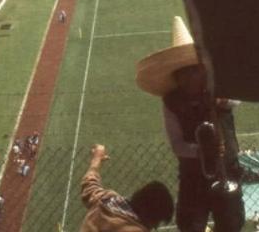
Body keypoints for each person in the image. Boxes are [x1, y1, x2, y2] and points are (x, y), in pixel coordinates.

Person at [136, 16, 246, 232]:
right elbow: (178, 145)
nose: (188, 78)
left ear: (202, 70)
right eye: (182, 74)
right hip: (193, 177)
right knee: (190, 225)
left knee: (231, 224)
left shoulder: (217, 91)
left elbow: (236, 100)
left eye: (193, 71)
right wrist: (204, 151)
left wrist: (222, 100)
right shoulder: (172, 103)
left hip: (227, 170)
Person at [80, 143, 174, 231]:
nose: (155, 227)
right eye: (156, 222)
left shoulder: (105, 199)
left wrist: (96, 159)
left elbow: (89, 183)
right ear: (149, 215)